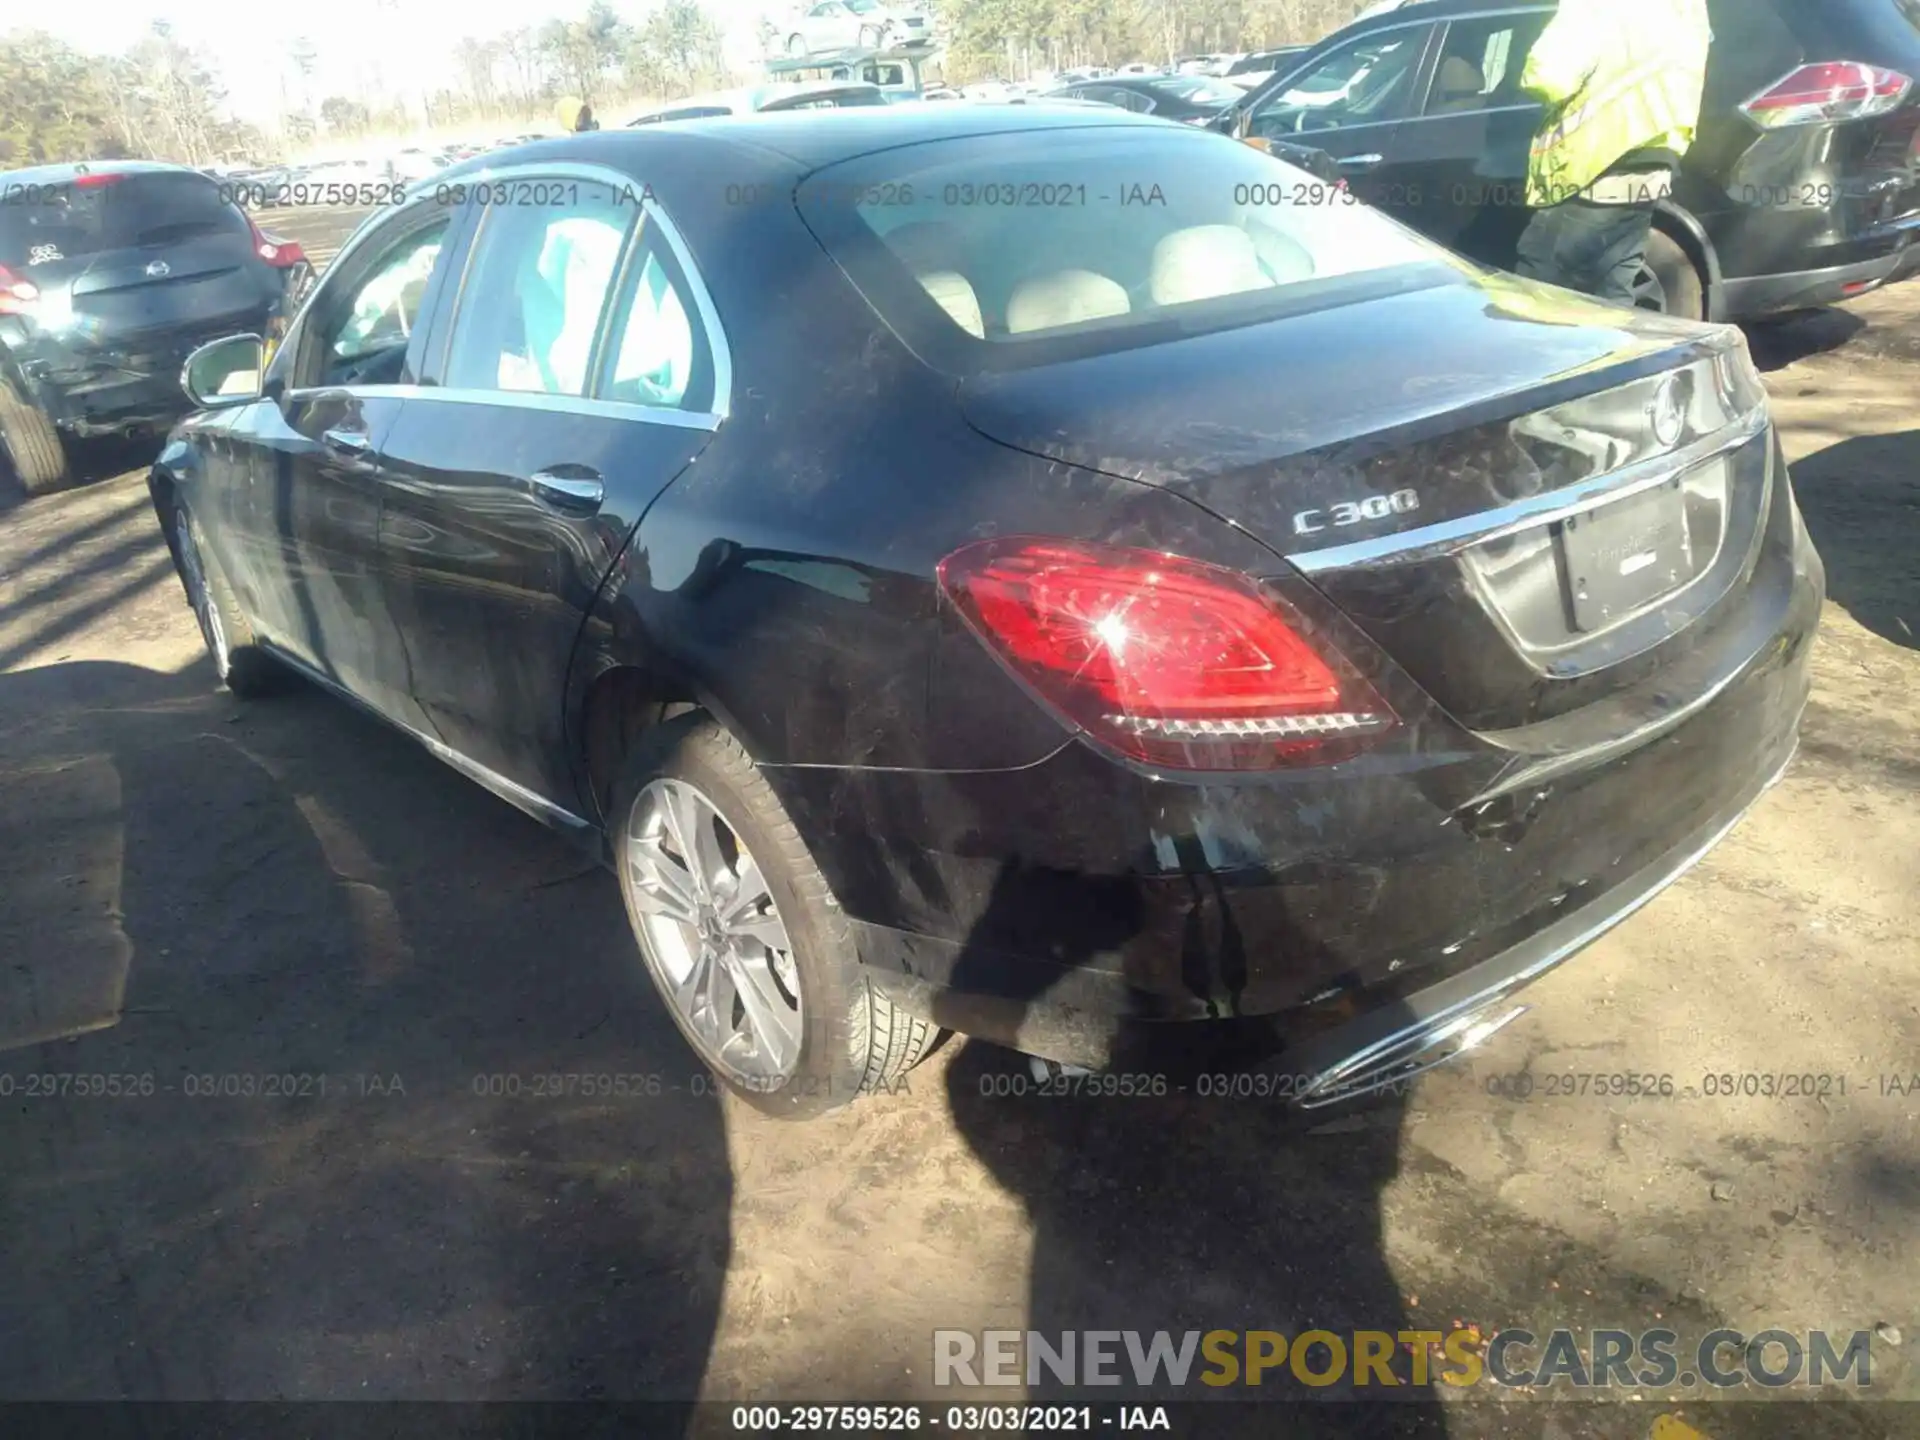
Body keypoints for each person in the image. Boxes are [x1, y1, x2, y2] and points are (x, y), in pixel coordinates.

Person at [1514, 0, 1712, 305]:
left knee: (1540, 289)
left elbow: (1548, 76)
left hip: (1595, 160)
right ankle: (1615, 350)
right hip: (1656, 157)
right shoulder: (1687, 8)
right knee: (1613, 287)